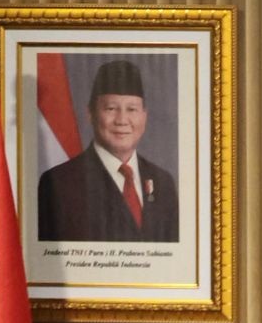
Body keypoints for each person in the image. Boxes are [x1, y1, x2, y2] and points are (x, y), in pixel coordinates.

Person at [37, 59, 179, 243]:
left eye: (132, 109)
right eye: (111, 108)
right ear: (90, 114)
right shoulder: (58, 184)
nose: (122, 120)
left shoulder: (163, 183)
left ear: (144, 116)